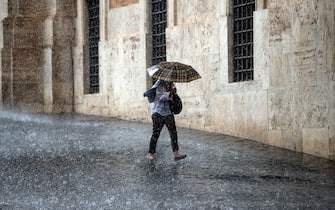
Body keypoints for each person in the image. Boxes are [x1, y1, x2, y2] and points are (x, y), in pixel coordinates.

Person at [147, 80, 187, 161]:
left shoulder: (171, 84)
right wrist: (170, 93)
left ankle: (176, 153)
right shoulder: (158, 85)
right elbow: (160, 98)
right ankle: (151, 153)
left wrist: (173, 94)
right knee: (156, 133)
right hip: (158, 112)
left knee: (173, 133)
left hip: (168, 112)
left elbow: (171, 98)